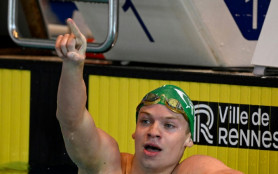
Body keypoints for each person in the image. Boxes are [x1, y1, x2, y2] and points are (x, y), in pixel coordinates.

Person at [55, 18, 243, 174]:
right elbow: (72, 121)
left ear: (188, 139)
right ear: (134, 132)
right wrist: (73, 67)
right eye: (145, 121)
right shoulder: (107, 165)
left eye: (169, 125)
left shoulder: (192, 169)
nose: (153, 132)